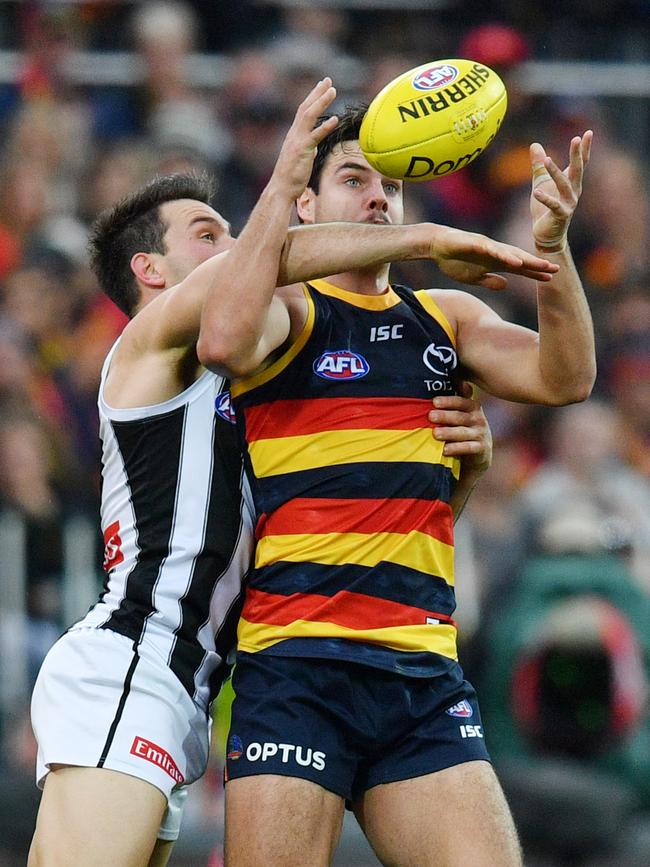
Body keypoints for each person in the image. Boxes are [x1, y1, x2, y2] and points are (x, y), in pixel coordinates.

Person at [26, 80, 553, 867]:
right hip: (135, 659)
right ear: (151, 270)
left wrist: (457, 476)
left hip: (194, 680)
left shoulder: (265, 362)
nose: (241, 247)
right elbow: (287, 257)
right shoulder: (155, 339)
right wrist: (420, 236)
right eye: (209, 234)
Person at [196, 95, 595, 867]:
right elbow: (221, 339)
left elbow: (566, 375)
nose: (381, 195)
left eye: (395, 185)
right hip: (299, 664)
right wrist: (277, 189)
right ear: (308, 203)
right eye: (354, 179)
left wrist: (554, 247)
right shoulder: (286, 308)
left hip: (421, 672)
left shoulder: (444, 316)